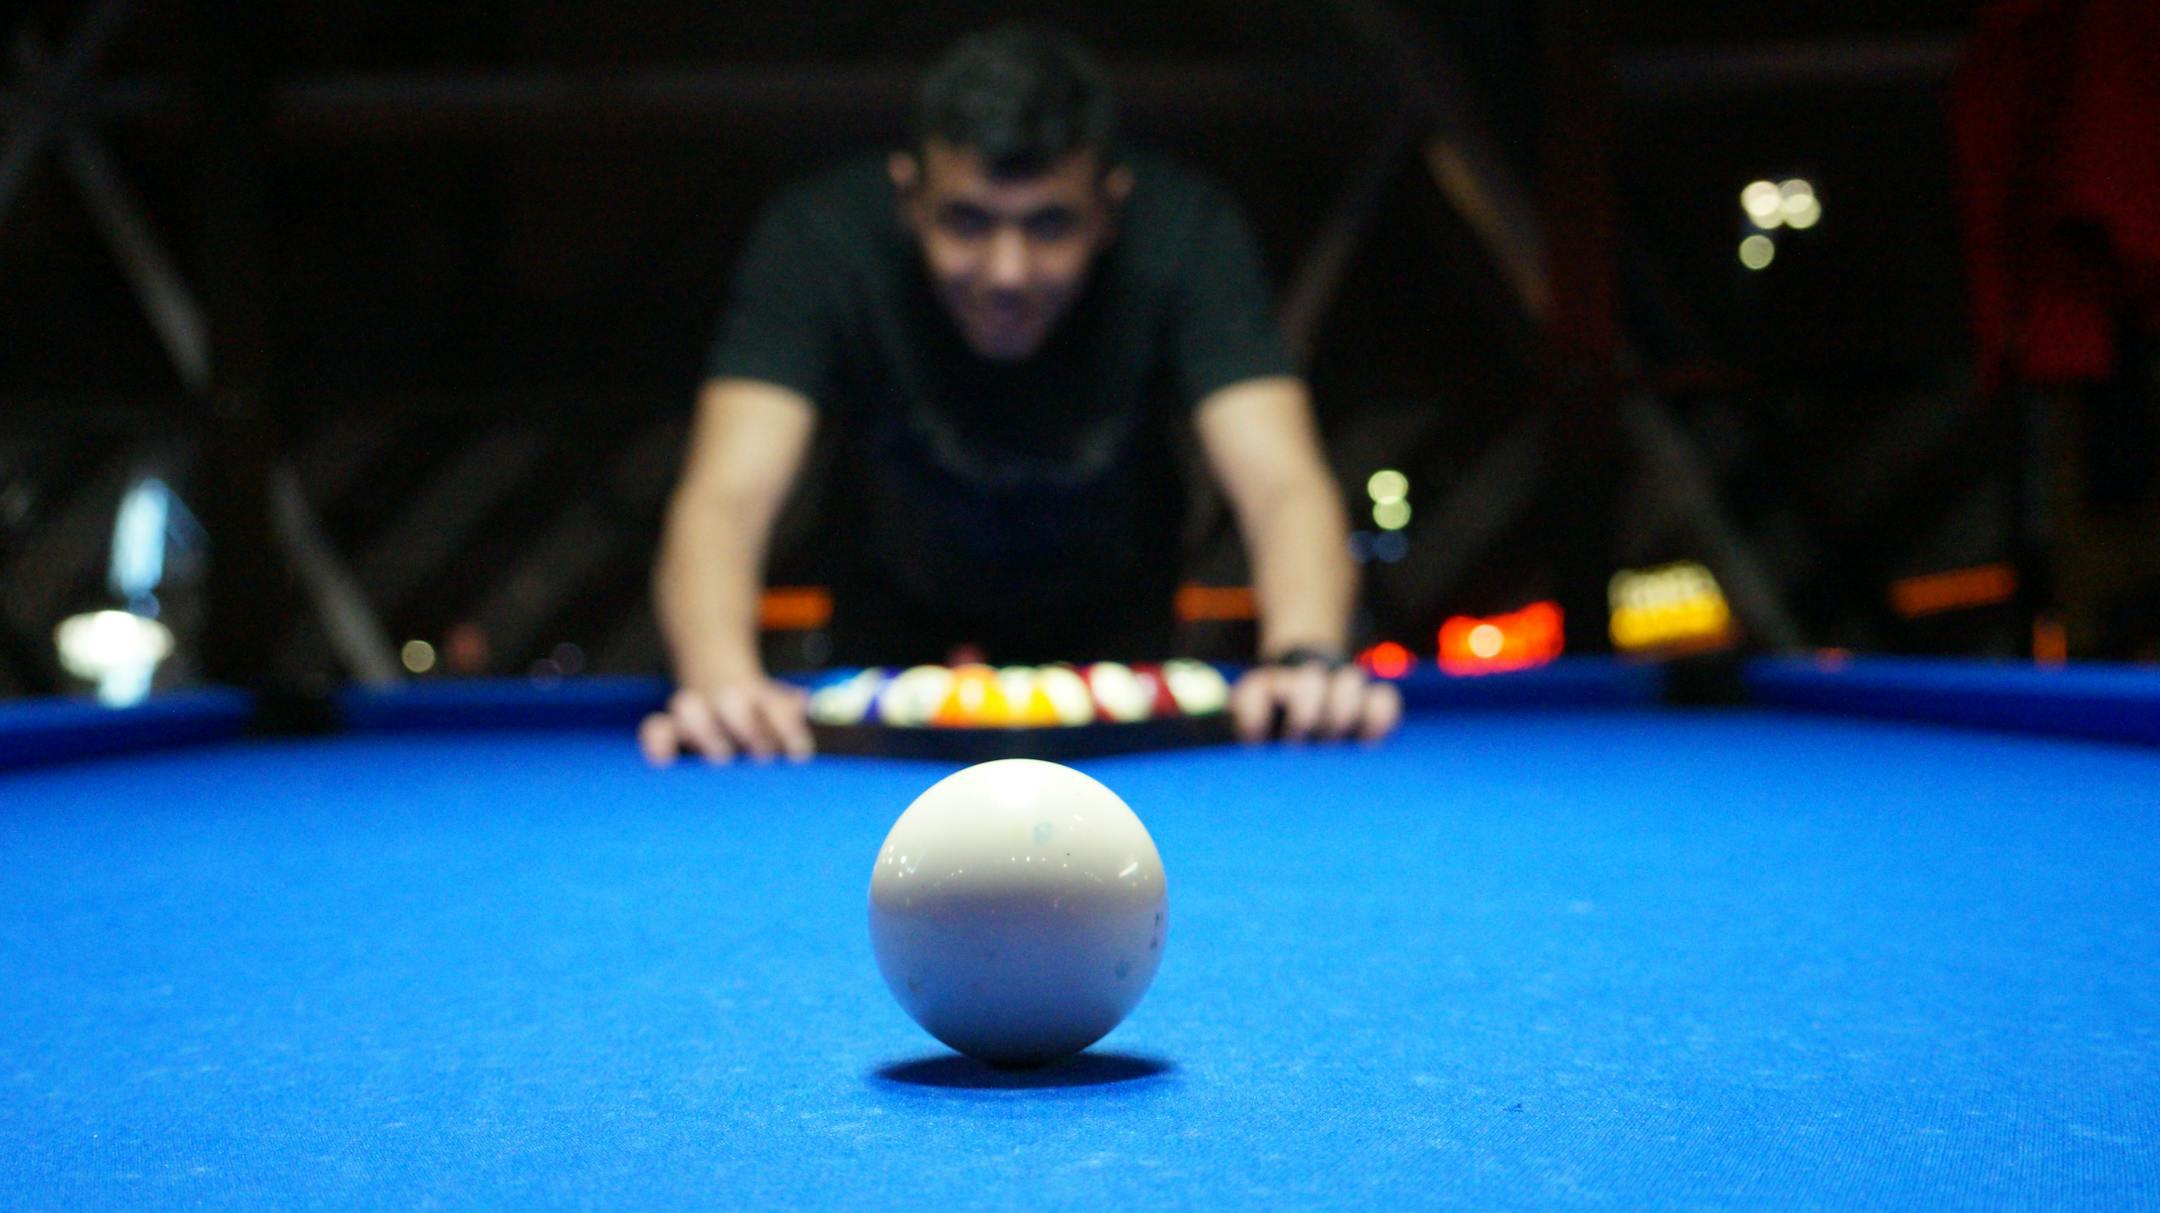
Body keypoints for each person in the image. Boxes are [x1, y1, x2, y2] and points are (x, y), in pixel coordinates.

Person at [639, 25, 1401, 765]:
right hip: (889, 629)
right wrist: (720, 679)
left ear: (1109, 208)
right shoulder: (819, 240)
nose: (1008, 273)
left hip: (1115, 637)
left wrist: (1307, 653)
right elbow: (728, 493)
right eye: (966, 221)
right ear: (908, 199)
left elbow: (1280, 482)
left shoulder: (1187, 237)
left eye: (1051, 224)